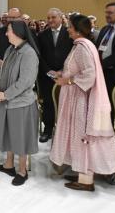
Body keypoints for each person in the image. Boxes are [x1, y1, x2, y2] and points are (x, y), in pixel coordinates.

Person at [49, 15, 115, 192]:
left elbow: (89, 75)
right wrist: (62, 73)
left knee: (82, 137)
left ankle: (86, 180)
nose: (67, 30)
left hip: (79, 99)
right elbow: (77, 69)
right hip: (76, 97)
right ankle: (82, 173)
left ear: (78, 29)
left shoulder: (82, 47)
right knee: (78, 136)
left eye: (70, 27)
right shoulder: (82, 45)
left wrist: (68, 81)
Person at [0, 21, 40, 186]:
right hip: (7, 100)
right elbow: (2, 72)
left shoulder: (29, 54)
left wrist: (6, 94)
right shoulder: (11, 49)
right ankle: (9, 165)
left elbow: (25, 81)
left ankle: (22, 171)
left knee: (21, 136)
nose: (5, 34)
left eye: (8, 31)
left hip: (21, 103)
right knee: (10, 133)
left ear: (18, 33)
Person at [37, 8, 73, 143]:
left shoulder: (69, 33)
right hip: (47, 76)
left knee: (65, 103)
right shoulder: (42, 35)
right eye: (48, 18)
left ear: (60, 18)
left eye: (53, 17)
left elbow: (72, 55)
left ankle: (64, 132)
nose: (50, 20)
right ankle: (48, 130)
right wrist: (49, 71)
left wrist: (62, 71)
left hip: (65, 76)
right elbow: (39, 56)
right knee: (48, 104)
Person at [0, 8, 22, 76]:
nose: (11, 19)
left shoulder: (27, 32)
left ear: (20, 18)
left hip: (20, 72)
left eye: (14, 17)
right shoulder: (1, 31)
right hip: (3, 70)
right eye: (9, 17)